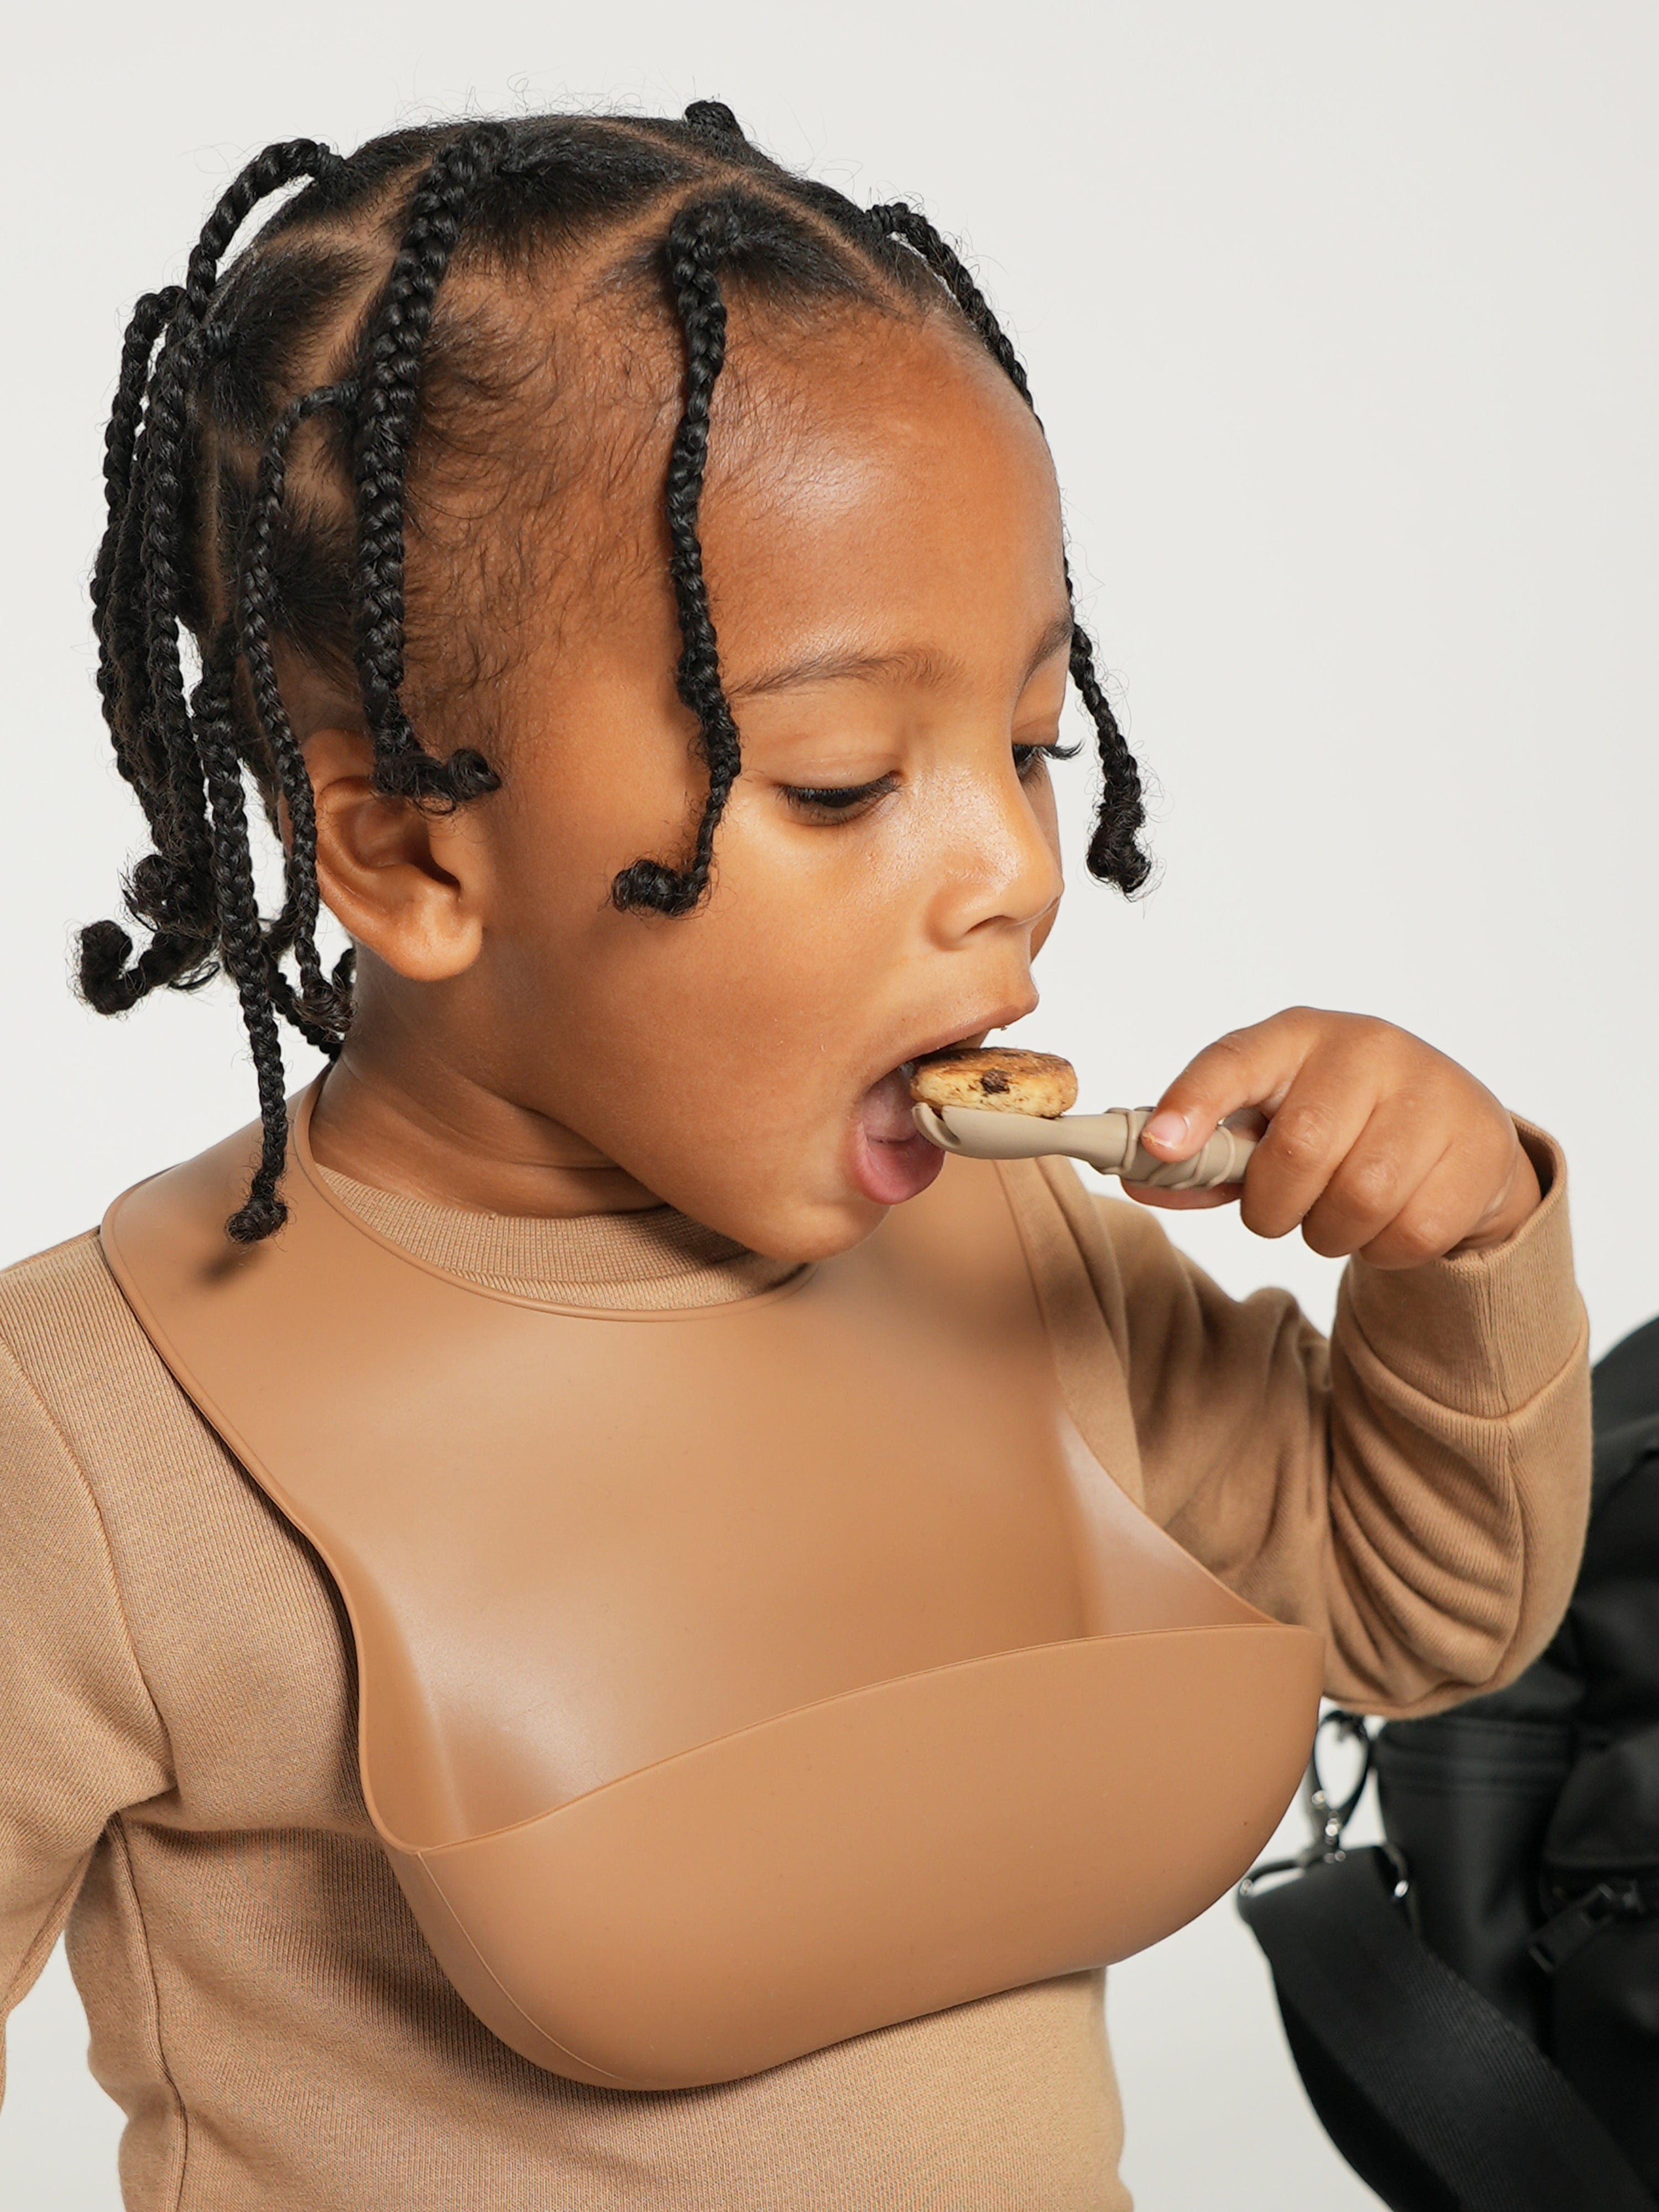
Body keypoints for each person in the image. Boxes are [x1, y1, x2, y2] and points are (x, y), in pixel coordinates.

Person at [0, 104, 1592, 2211]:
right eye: (842, 786)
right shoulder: (93, 1438)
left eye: (1033, 744)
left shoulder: (1022, 1251)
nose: (1016, 867)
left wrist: (1455, 1247)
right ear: (406, 848)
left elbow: (1424, 1615)